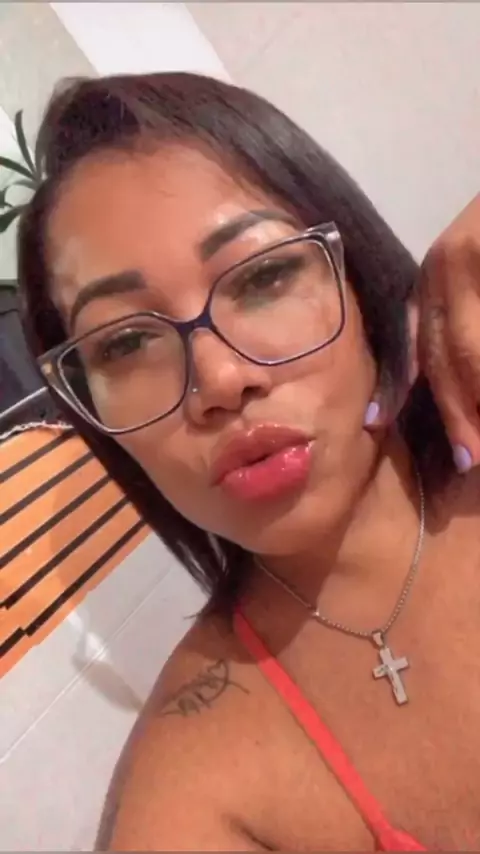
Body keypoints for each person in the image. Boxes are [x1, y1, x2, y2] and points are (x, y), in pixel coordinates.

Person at [17, 72, 480, 852]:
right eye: (126, 343)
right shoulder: (195, 786)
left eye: (264, 276)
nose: (222, 380)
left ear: (358, 276)